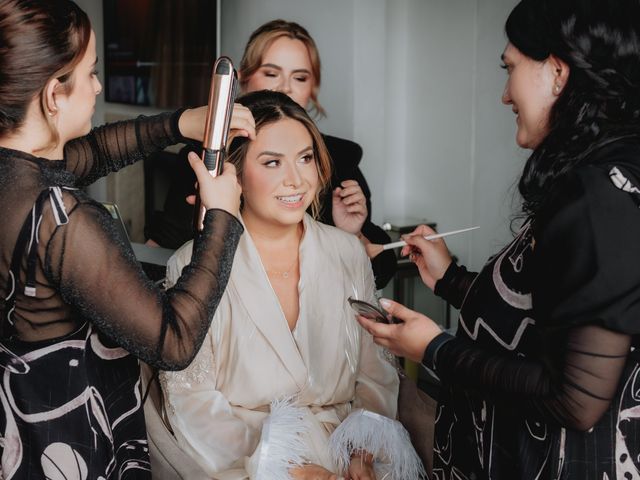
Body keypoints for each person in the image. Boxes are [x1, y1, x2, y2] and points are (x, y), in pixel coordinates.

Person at [357, 0, 640, 478]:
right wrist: (452, 281)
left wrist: (434, 348)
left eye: (510, 68)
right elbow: (565, 312)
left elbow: (575, 398)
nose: (505, 95)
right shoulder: (612, 172)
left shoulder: (597, 196)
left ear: (556, 72)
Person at [0, 1, 254, 478]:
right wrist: (222, 216)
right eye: (91, 73)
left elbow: (88, 153)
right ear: (54, 93)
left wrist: (180, 124)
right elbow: (172, 342)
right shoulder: (63, 220)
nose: (97, 86)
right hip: (69, 445)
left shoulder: (13, 176)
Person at [152, 90, 424, 480]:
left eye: (306, 158)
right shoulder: (196, 263)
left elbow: (376, 374)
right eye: (272, 162)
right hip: (249, 466)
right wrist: (293, 469)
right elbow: (190, 401)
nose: (296, 179)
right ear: (236, 174)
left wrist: (361, 452)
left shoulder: (347, 253)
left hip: (350, 461)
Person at [145, 19, 397, 290]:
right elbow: (165, 249)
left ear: (313, 88)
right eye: (271, 73)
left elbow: (376, 272)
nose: (285, 88)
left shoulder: (341, 161)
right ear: (244, 78)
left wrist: (354, 235)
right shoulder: (205, 159)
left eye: (300, 77)